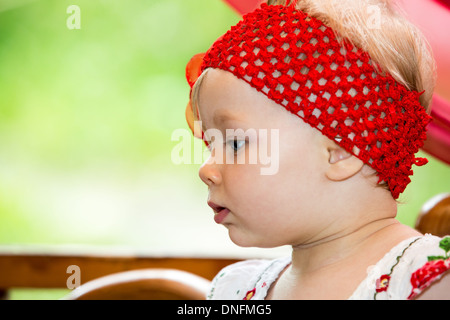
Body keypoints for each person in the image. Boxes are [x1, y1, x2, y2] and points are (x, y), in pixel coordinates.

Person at [184, 0, 450, 300]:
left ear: (341, 151)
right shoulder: (235, 290)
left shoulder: (430, 282)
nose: (205, 169)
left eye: (234, 143)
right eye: (210, 145)